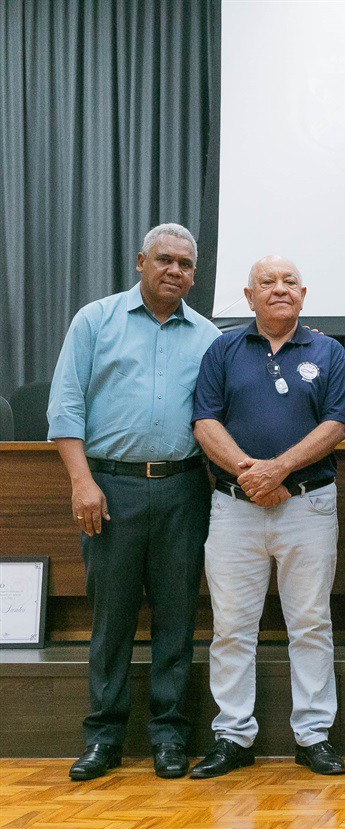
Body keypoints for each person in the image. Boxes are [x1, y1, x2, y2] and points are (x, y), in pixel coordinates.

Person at [47, 223, 221, 781]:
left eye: (186, 265)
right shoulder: (95, 321)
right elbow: (65, 408)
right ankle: (104, 738)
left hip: (184, 489)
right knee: (112, 619)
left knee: (176, 617)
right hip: (110, 488)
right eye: (165, 260)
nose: (175, 271)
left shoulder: (208, 335)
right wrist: (81, 482)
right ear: (140, 261)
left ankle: (170, 737)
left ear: (195, 273)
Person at [188, 257, 345, 778]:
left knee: (310, 623)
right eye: (267, 283)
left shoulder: (329, 351)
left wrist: (278, 469)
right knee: (232, 627)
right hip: (234, 508)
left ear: (303, 295)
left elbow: (338, 423)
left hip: (309, 504)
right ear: (248, 294)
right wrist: (250, 473)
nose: (279, 289)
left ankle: (313, 736)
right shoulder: (223, 349)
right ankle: (233, 735)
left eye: (289, 283)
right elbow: (203, 419)